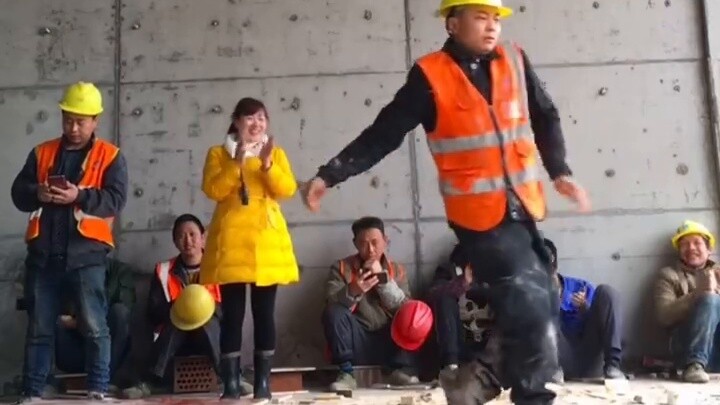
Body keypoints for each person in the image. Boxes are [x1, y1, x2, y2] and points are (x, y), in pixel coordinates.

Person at [300, 1, 590, 403]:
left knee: (541, 296)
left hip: (522, 206)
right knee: (528, 297)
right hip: (478, 219)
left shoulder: (515, 60)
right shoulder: (430, 76)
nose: (491, 28)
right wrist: (330, 174)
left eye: (495, 19)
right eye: (480, 18)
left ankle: (476, 380)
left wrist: (560, 171)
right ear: (453, 24)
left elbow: (546, 114)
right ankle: (528, 395)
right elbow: (384, 133)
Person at [11, 81, 128, 402]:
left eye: (80, 121)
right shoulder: (42, 152)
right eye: (67, 120)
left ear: (95, 121)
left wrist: (80, 195)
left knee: (94, 326)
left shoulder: (111, 157)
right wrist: (38, 191)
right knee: (39, 328)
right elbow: (17, 193)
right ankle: (33, 390)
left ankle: (98, 389)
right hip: (44, 256)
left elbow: (115, 200)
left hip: (86, 257)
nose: (73, 128)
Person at [199, 97, 299, 400]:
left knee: (264, 313)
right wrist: (237, 163)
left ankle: (262, 384)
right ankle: (230, 383)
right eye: (250, 118)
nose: (256, 124)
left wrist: (267, 165)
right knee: (232, 314)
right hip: (231, 242)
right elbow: (212, 190)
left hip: (266, 242)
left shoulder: (275, 153)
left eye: (261, 118)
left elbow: (288, 189)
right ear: (236, 121)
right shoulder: (218, 153)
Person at [120, 214, 243, 399]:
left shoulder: (219, 267)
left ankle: (231, 378)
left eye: (193, 234)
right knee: (179, 320)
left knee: (206, 321)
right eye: (181, 236)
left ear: (203, 238)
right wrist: (181, 308)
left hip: (211, 336)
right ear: (175, 242)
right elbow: (153, 314)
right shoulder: (163, 271)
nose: (188, 241)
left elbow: (230, 312)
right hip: (175, 340)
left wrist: (203, 309)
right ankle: (149, 383)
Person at [322, 217, 417, 392]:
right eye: (364, 244)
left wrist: (384, 282)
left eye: (375, 243)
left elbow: (407, 309)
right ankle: (346, 373)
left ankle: (397, 370)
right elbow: (330, 302)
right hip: (356, 339)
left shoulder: (397, 270)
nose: (371, 250)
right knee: (333, 311)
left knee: (413, 313)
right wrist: (353, 290)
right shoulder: (341, 267)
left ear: (385, 241)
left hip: (388, 339)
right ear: (355, 244)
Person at [543, 238, 624, 381]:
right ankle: (552, 371)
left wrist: (585, 308)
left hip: (591, 358)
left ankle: (613, 366)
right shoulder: (534, 294)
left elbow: (601, 322)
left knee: (607, 291)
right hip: (560, 362)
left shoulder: (581, 286)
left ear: (555, 268)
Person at [654, 220, 720, 383]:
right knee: (708, 299)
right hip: (685, 347)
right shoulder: (668, 275)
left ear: (709, 249)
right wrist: (697, 295)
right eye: (684, 245)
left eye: (697, 243)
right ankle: (695, 365)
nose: (691, 248)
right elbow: (664, 316)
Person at [54, 259, 137, 384]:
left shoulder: (119, 271)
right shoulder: (70, 270)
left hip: (108, 345)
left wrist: (83, 322)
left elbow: (126, 307)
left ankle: (105, 379)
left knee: (120, 313)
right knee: (51, 321)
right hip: (77, 344)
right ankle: (45, 382)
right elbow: (63, 313)